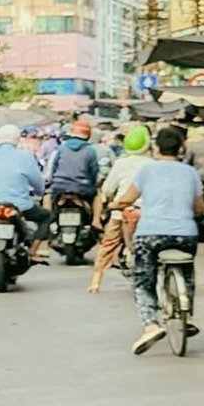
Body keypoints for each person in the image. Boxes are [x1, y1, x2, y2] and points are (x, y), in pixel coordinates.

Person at [113, 122, 204, 354]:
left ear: (156, 148)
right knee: (187, 273)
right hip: (185, 234)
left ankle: (150, 324)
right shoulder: (191, 173)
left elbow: (127, 197)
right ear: (181, 149)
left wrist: (117, 204)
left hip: (150, 233)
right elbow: (199, 207)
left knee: (143, 278)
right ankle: (185, 315)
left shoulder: (147, 170)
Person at [0, 124, 50, 266]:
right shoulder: (26, 157)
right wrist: (39, 192)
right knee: (47, 216)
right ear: (18, 139)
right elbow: (38, 183)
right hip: (21, 205)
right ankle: (33, 251)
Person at [88, 125, 152, 294]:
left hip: (121, 210)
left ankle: (96, 281)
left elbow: (108, 189)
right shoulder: (153, 164)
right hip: (148, 211)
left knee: (108, 243)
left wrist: (109, 202)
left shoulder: (120, 163)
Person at [43, 116, 102, 211]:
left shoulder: (60, 149)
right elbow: (94, 172)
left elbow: (51, 170)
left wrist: (49, 182)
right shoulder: (90, 151)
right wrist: (93, 184)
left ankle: (47, 221)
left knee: (47, 196)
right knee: (98, 195)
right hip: (83, 188)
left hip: (59, 187)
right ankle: (96, 221)